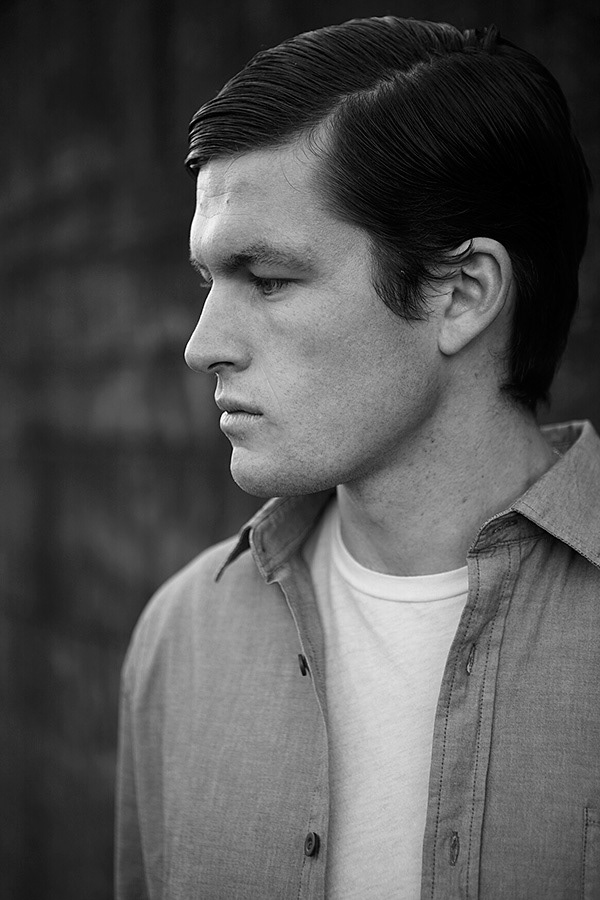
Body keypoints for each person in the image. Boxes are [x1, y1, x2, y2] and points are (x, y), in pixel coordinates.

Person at [115, 16, 597, 900]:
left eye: (269, 279)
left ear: (462, 294)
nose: (201, 345)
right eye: (207, 281)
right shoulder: (183, 637)